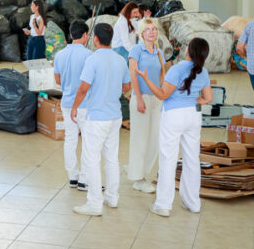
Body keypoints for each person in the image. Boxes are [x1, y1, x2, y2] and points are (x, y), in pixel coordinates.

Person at [138, 37, 213, 217]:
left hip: (174, 115)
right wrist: (195, 100)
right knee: (192, 159)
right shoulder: (203, 72)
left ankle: (163, 205)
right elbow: (208, 98)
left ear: (189, 50)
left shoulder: (177, 69)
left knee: (168, 159)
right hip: (194, 115)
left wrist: (146, 79)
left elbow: (163, 94)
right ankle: (193, 203)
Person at [70, 23, 131, 216]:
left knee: (91, 159)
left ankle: (94, 203)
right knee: (111, 158)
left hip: (97, 117)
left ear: (95, 38)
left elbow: (83, 88)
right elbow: (127, 86)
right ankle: (112, 198)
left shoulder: (93, 59)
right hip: (115, 116)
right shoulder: (121, 60)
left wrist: (74, 107)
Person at [53, 19, 93, 190]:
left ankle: (73, 177)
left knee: (70, 139)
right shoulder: (89, 55)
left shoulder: (60, 55)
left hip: (67, 103)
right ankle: (84, 179)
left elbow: (57, 79)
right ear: (85, 35)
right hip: (84, 104)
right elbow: (91, 82)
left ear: (70, 35)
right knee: (88, 141)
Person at [127, 18, 164, 194]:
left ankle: (142, 170)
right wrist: (139, 99)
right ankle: (137, 178)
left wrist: (163, 97)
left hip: (157, 99)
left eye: (154, 29)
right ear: (141, 33)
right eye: (148, 29)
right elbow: (133, 76)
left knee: (155, 137)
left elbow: (162, 76)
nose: (152, 32)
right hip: (140, 97)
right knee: (140, 138)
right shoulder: (136, 50)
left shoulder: (158, 52)